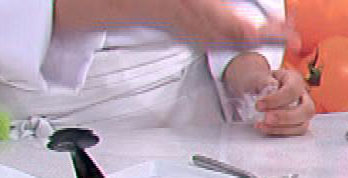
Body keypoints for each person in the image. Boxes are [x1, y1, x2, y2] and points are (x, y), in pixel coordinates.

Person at [0, 0, 315, 137]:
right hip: (34, 143)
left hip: (192, 134)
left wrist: (252, 73)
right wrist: (152, 8)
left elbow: (238, 13)